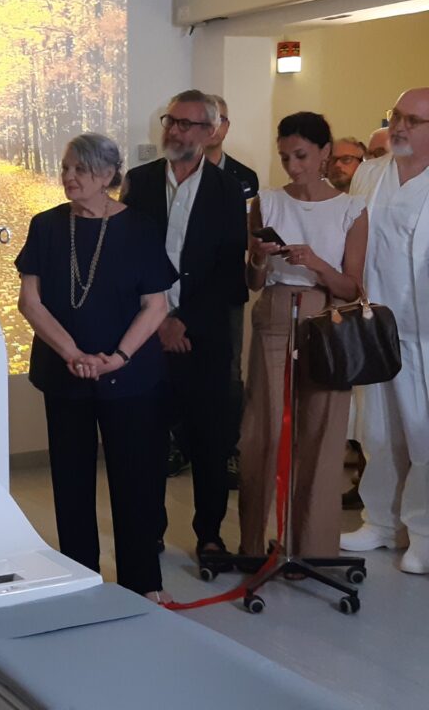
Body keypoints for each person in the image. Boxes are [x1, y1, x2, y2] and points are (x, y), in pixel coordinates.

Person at [16, 133, 175, 602]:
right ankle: (79, 581)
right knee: (70, 482)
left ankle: (142, 584)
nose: (68, 177)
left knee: (135, 481)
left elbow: (156, 305)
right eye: (66, 167)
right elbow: (30, 301)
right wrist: (73, 354)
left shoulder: (140, 228)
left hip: (130, 375)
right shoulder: (46, 225)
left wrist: (119, 357)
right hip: (64, 374)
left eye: (80, 170)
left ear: (107, 175)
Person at [122, 90, 247, 565]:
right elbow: (129, 260)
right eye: (170, 121)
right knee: (147, 441)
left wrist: (182, 321)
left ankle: (210, 534)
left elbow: (227, 272)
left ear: (210, 132)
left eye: (186, 124)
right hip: (146, 336)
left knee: (209, 441)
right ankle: (148, 532)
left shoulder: (228, 191)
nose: (174, 131)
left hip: (203, 338)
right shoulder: (139, 182)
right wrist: (158, 323)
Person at [238, 112, 368, 559]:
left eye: (301, 156)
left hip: (327, 318)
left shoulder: (352, 208)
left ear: (324, 152)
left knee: (322, 433)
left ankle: (311, 548)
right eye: (285, 157)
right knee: (262, 430)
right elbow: (254, 281)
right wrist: (258, 257)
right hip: (275, 311)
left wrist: (314, 262)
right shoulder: (267, 202)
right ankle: (253, 545)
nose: (293, 167)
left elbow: (352, 288)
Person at [340, 88, 429, 574]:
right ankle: (380, 521)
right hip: (375, 325)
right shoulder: (371, 174)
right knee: (375, 430)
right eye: (397, 116)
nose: (399, 126)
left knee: (422, 436)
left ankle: (423, 534)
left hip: (424, 333)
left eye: (413, 120)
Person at [205, 93, 260, 490]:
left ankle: (227, 450)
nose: (212, 126)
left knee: (228, 374)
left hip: (226, 289)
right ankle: (178, 445)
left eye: (218, 119)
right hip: (174, 292)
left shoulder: (245, 178)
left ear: (226, 126)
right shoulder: (166, 175)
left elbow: (247, 236)